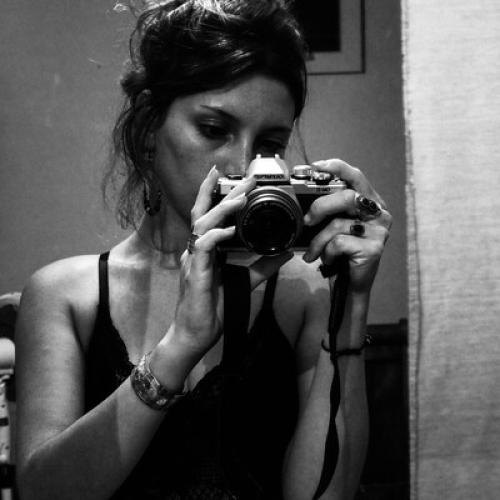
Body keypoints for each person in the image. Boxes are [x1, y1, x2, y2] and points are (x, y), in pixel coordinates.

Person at [15, 1, 392, 499]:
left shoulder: (305, 293)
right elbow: (43, 494)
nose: (243, 164)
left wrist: (352, 305)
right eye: (214, 129)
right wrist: (180, 346)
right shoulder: (66, 295)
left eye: (269, 145)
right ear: (148, 127)